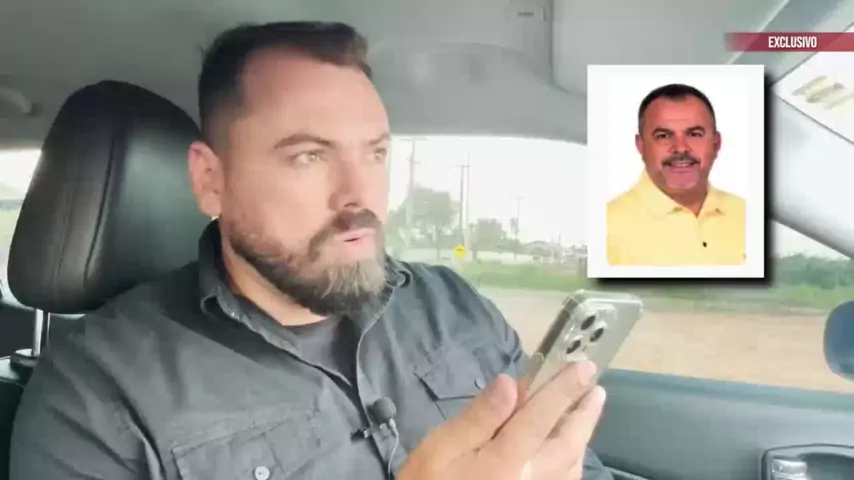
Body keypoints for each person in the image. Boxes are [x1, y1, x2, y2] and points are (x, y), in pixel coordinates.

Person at [10, 22, 613, 479]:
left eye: (376, 153)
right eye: (309, 156)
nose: (360, 195)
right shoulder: (95, 394)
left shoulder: (453, 306)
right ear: (210, 179)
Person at [606, 83, 746, 267]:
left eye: (694, 134)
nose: (680, 148)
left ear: (716, 143)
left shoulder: (749, 215)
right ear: (640, 146)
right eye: (663, 136)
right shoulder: (607, 227)